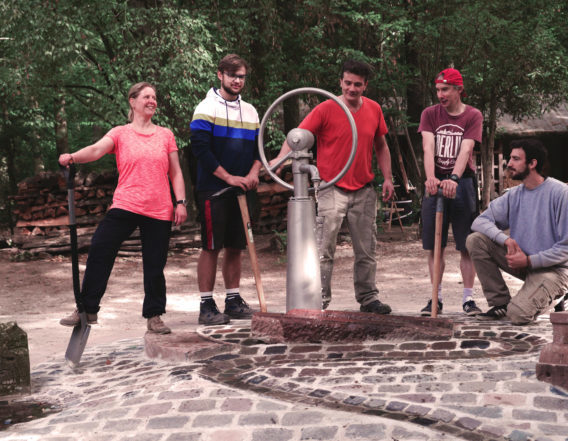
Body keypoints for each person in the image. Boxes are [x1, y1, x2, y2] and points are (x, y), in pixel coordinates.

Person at [58, 82, 187, 334]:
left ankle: (154, 315)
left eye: (154, 97)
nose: (152, 100)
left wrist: (180, 202)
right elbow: (95, 150)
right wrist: (72, 156)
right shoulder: (120, 133)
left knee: (154, 264)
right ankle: (88, 308)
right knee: (100, 247)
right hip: (126, 203)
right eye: (146, 96)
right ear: (133, 101)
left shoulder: (165, 135)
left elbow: (176, 173)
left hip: (159, 208)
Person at [272, 59, 394, 314]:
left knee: (366, 249)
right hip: (331, 188)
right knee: (323, 249)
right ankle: (319, 300)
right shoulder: (326, 108)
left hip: (363, 188)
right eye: (347, 83)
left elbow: (381, 145)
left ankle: (368, 298)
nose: (352, 88)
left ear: (365, 86)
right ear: (340, 82)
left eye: (357, 84)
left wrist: (389, 178)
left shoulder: (374, 109)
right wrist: (280, 160)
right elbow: (297, 136)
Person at [466, 138, 568, 324]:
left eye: (515, 159)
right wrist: (505, 240)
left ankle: (562, 294)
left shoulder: (560, 194)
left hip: (557, 271)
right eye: (510, 158)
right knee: (476, 240)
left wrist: (528, 260)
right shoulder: (514, 195)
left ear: (532, 163)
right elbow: (479, 222)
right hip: (526, 264)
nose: (509, 164)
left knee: (518, 315)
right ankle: (500, 302)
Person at [190, 54, 261, 325]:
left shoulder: (252, 111)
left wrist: (253, 173)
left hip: (243, 190)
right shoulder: (206, 108)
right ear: (220, 74)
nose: (237, 80)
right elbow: (201, 151)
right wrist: (228, 177)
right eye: (232, 75)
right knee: (211, 247)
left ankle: (233, 299)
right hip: (214, 190)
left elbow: (257, 150)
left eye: (241, 76)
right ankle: (206, 305)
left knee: (236, 247)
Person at [418, 68, 483, 316]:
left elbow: (466, 149)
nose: (440, 94)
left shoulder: (473, 115)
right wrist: (431, 178)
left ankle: (468, 299)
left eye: (445, 89)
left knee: (467, 244)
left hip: (462, 182)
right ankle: (436, 297)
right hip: (435, 182)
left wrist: (454, 177)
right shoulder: (430, 114)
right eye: (437, 89)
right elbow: (427, 147)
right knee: (434, 246)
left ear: (458, 90)